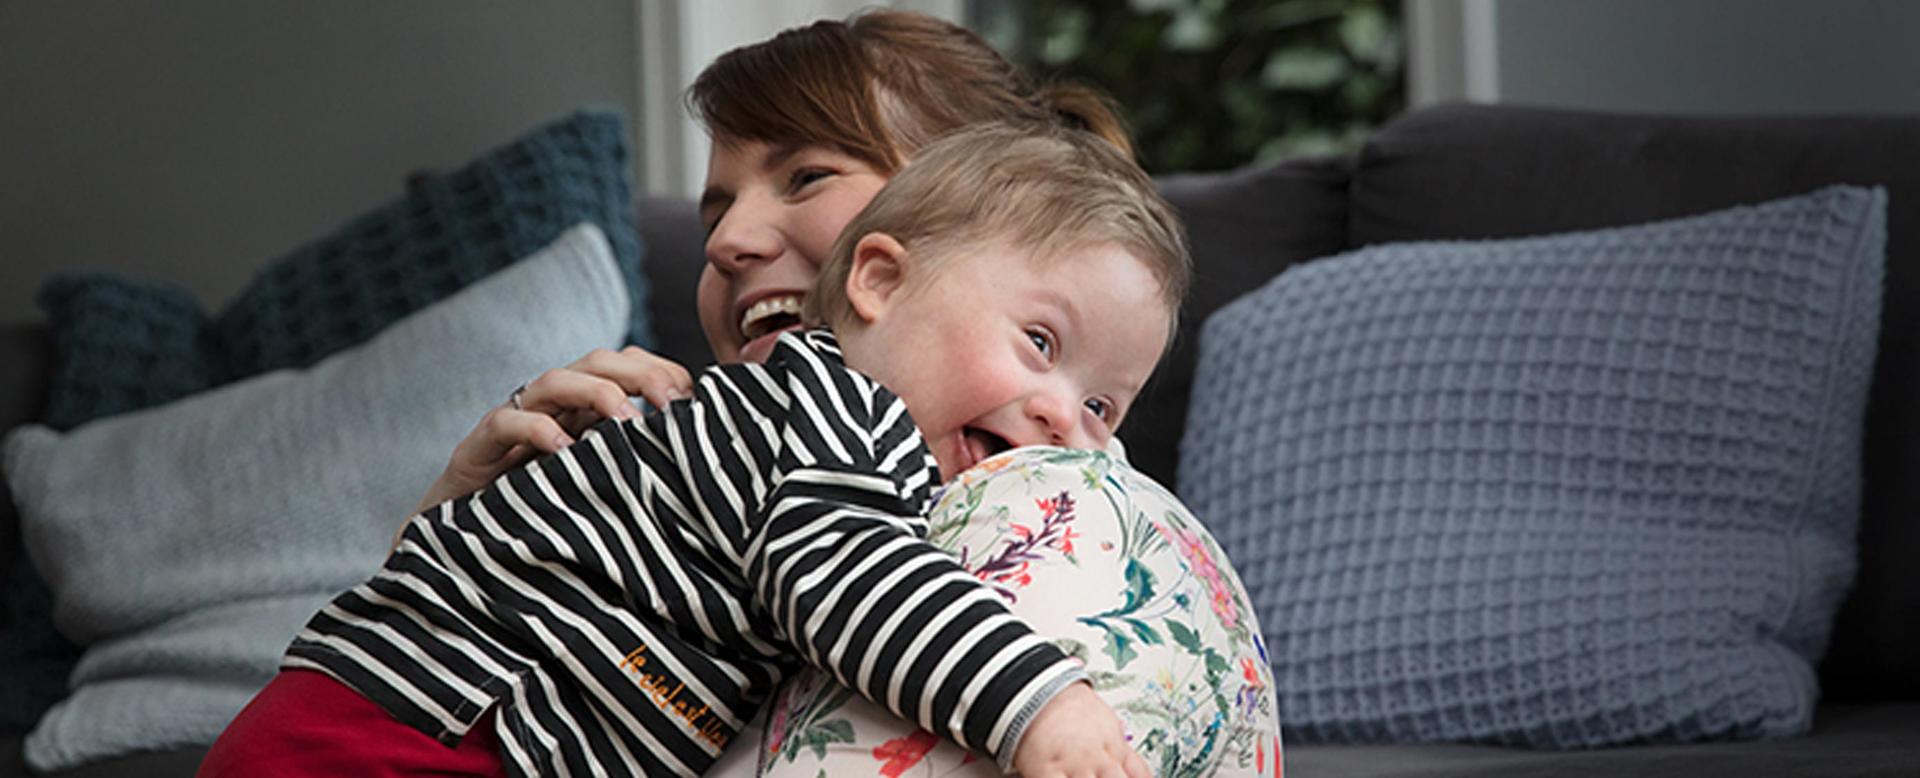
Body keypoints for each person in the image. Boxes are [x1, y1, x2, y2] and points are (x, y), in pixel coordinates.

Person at [404, 10, 1280, 776]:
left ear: (972, 190)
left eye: (808, 176)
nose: (727, 242)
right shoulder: (700, 446)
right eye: (714, 214)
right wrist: (456, 534)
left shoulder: (1068, 516)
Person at [198, 122, 1186, 777]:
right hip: (417, 737)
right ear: (880, 282)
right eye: (1041, 345)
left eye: (1105, 402)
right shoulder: (832, 407)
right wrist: (1038, 701)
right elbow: (848, 572)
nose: (1064, 412)